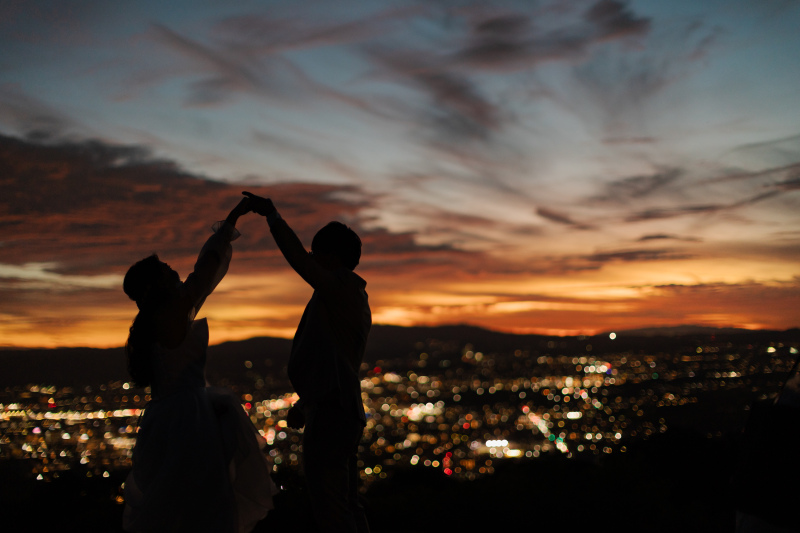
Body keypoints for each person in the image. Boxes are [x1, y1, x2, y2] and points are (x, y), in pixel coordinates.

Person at [122, 197, 275, 533]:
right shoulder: (177, 309)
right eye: (163, 268)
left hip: (164, 418)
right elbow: (208, 267)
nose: (171, 269)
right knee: (205, 502)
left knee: (172, 505)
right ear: (156, 283)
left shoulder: (145, 327)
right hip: (192, 420)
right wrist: (232, 220)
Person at [243, 191, 371, 533]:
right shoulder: (341, 297)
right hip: (336, 407)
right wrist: (306, 402)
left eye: (318, 253)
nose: (312, 259)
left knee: (331, 509)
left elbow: (297, 259)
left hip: (333, 413)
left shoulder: (342, 288)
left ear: (332, 257)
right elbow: (332, 360)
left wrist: (272, 215)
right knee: (346, 505)